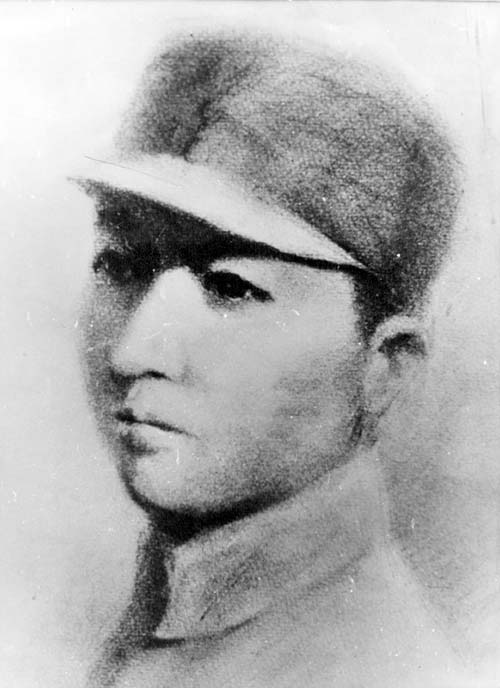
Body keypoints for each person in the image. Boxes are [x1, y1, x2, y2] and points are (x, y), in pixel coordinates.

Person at [73, 25, 465, 687]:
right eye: (121, 264)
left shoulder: (364, 664)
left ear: (385, 368)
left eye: (230, 287)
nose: (133, 353)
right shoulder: (167, 619)